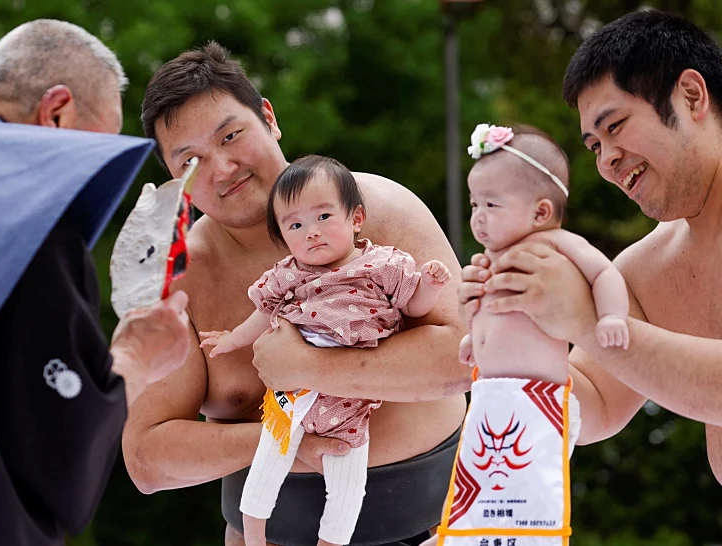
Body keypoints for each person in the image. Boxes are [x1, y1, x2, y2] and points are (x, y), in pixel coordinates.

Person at [124, 42, 471, 545]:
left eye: (231, 135)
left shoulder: (378, 209)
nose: (221, 168)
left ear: (268, 117)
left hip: (439, 525)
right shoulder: (176, 282)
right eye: (191, 161)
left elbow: (467, 357)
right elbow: (146, 459)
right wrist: (287, 442)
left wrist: (310, 367)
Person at [459, 9, 722, 499]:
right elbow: (596, 398)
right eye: (593, 145)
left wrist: (582, 318)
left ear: (692, 95)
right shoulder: (642, 270)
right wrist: (511, 339)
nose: (606, 160)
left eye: (614, 126)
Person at [0, 20, 191, 545]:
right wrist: (137, 357)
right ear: (56, 113)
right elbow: (61, 456)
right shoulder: (27, 217)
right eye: (94, 147)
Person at [200, 155, 452, 546]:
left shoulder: (383, 264)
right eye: (295, 225)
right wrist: (231, 338)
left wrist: (430, 288)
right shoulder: (288, 273)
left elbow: (413, 307)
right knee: (267, 463)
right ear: (284, 237)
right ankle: (252, 537)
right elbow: (261, 312)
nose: (311, 233)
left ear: (355, 219)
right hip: (291, 394)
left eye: (323, 217)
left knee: (349, 487)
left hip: (349, 399)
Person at [434, 124, 628, 545]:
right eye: (473, 204)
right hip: (493, 396)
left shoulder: (556, 245)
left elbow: (605, 272)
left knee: (525, 500)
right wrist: (475, 337)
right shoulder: (490, 258)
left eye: (491, 204)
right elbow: (490, 315)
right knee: (479, 488)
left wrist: (611, 317)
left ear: (540, 212)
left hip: (542, 400)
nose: (478, 217)